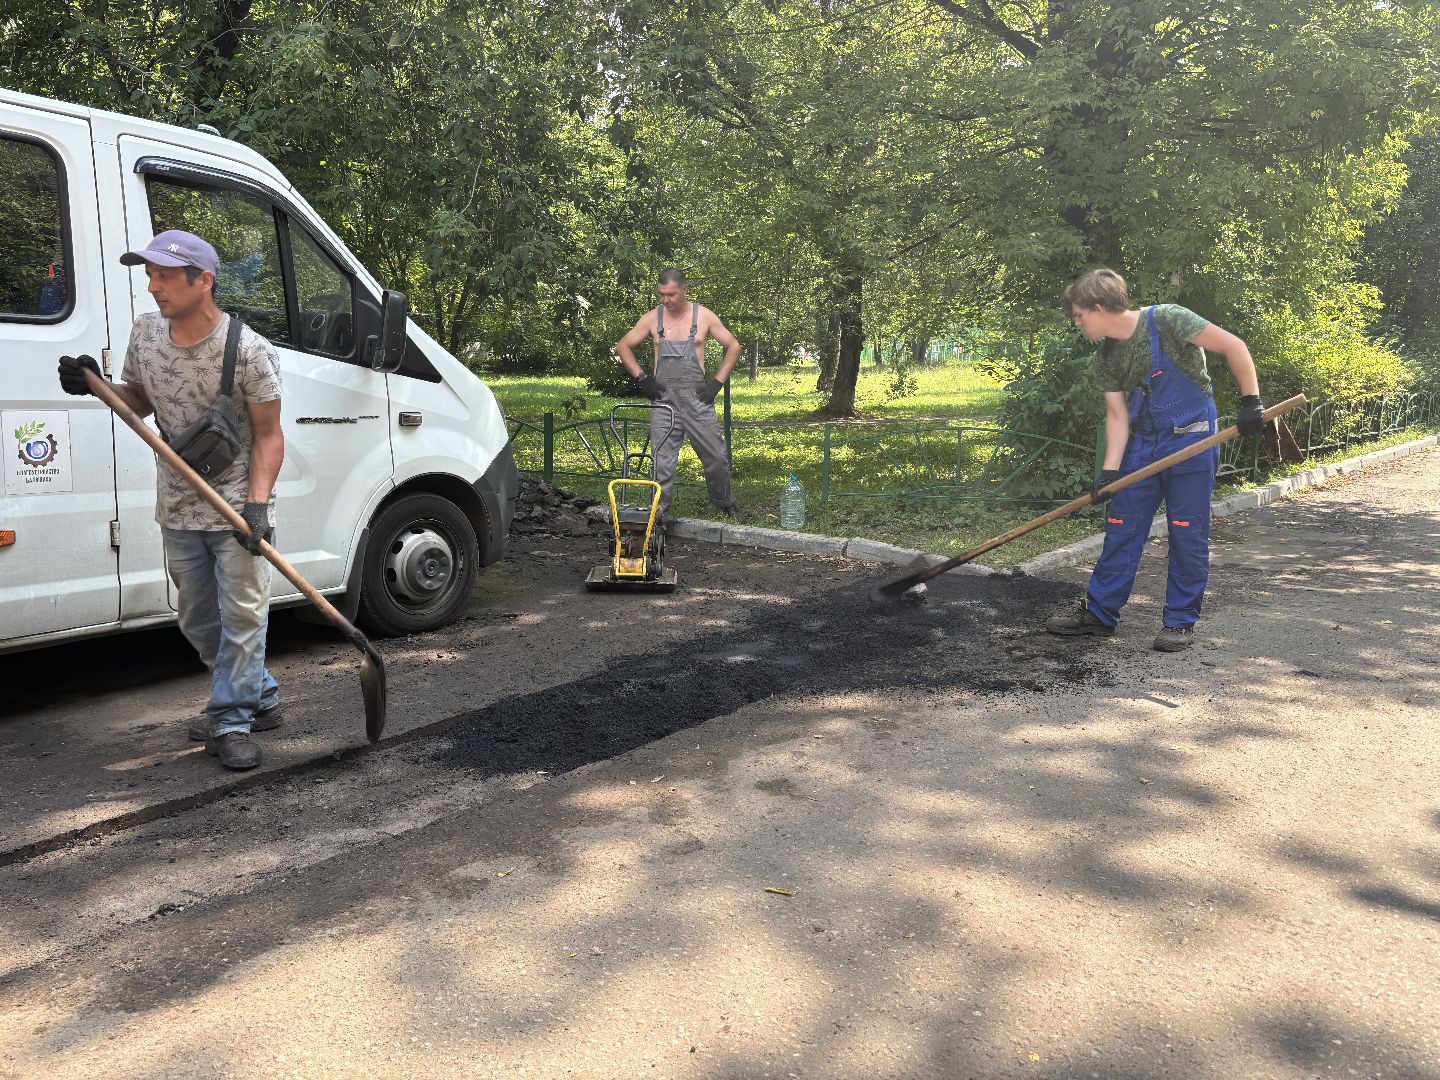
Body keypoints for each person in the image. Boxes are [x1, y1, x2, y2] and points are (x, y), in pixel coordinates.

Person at [58, 230, 284, 769]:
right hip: (178, 503)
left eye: (163, 275)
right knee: (197, 618)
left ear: (202, 281)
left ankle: (230, 721)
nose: (152, 285)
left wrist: (256, 508)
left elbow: (270, 435)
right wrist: (96, 384)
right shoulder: (146, 334)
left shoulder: (250, 351)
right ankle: (262, 693)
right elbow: (138, 400)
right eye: (149, 274)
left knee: (244, 615)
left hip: (236, 505)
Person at [1045, 268, 1266, 652]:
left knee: (1186, 531)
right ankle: (1100, 615)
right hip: (1144, 443)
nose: (1076, 323)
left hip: (1192, 437)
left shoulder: (1167, 319)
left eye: (1079, 315)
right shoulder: (1107, 356)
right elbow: (1117, 416)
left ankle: (1179, 623)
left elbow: (1234, 346)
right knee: (1122, 526)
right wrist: (1110, 472)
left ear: (1098, 308)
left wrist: (1251, 402)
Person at [615, 268, 743, 524]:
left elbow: (734, 346)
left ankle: (723, 501)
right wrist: (643, 379)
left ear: (685, 290)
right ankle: (662, 510)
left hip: (698, 400)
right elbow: (623, 346)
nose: (666, 300)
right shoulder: (652, 319)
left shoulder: (703, 316)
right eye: (661, 295)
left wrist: (716, 383)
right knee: (661, 461)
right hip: (663, 401)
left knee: (716, 457)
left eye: (671, 295)